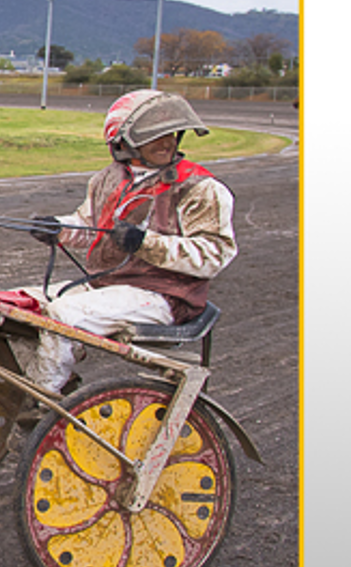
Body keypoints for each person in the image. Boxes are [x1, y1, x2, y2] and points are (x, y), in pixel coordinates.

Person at [23, 89, 237, 399]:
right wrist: (58, 228)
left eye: (172, 134)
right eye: (156, 135)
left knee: (63, 314)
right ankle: (40, 385)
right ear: (123, 142)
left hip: (164, 296)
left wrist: (144, 243)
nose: (169, 142)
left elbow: (215, 254)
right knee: (19, 306)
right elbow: (90, 226)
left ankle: (40, 402)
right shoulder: (107, 180)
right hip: (109, 287)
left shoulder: (201, 189)